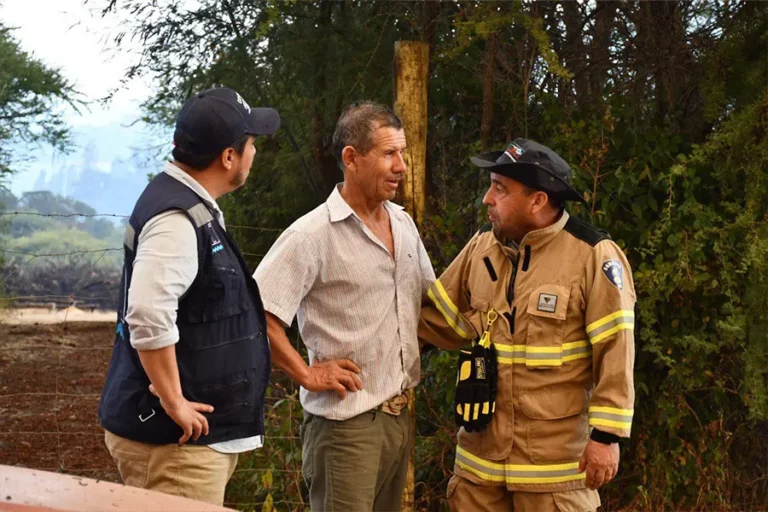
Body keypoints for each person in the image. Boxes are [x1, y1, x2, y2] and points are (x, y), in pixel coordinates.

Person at [419, 139, 636, 511]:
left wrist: (606, 436)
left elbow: (616, 351)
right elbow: (434, 321)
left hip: (553, 475)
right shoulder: (481, 247)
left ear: (537, 200)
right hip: (479, 470)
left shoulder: (592, 255)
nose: (487, 198)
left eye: (499, 189)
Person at [98, 86, 279, 506]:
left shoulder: (186, 205)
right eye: (250, 143)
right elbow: (146, 311)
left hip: (186, 444)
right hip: (174, 446)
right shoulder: (177, 218)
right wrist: (174, 400)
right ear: (229, 157)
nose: (254, 153)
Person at [254, 102, 436, 511]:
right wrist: (305, 373)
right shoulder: (311, 234)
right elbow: (257, 315)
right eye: (389, 154)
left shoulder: (403, 224)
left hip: (398, 417)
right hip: (345, 428)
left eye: (402, 153)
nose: (401, 166)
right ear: (351, 158)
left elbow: (431, 301)